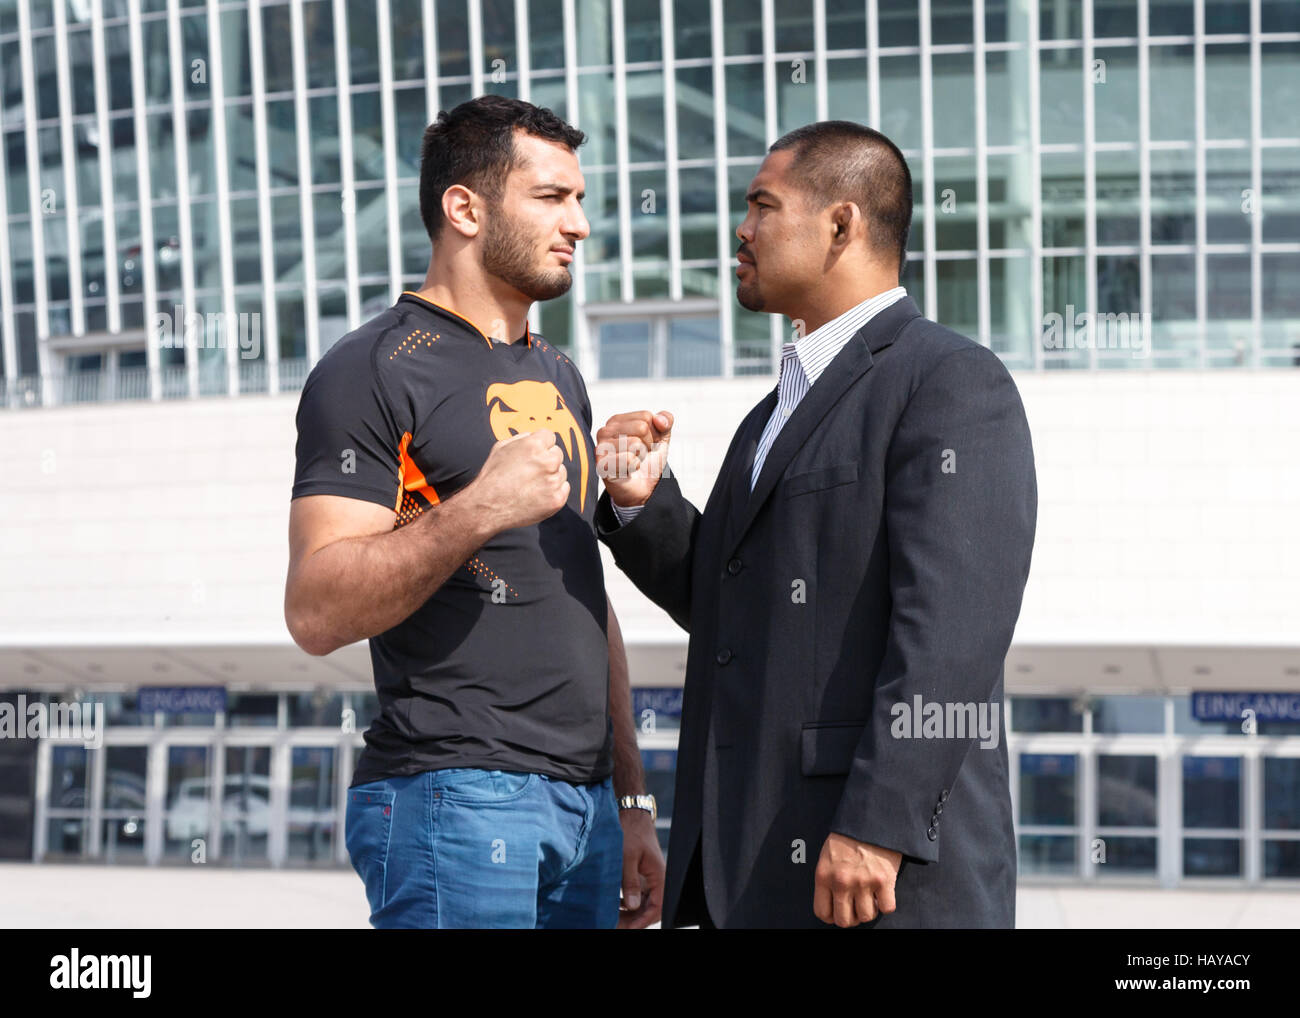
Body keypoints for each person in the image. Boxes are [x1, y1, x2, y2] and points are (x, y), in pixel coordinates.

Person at [593, 121, 1037, 928]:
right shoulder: (769, 416)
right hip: (753, 864)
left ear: (842, 224)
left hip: (877, 876)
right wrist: (638, 501)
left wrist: (881, 821)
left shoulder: (949, 381)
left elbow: (954, 633)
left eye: (763, 205)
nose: (742, 228)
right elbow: (733, 606)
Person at [285, 95, 664, 929]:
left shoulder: (559, 372)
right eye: (552, 197)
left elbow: (582, 598)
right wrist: (477, 508)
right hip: (455, 793)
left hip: (587, 806)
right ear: (465, 207)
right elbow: (315, 609)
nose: (582, 225)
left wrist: (631, 796)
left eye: (582, 198)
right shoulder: (372, 369)